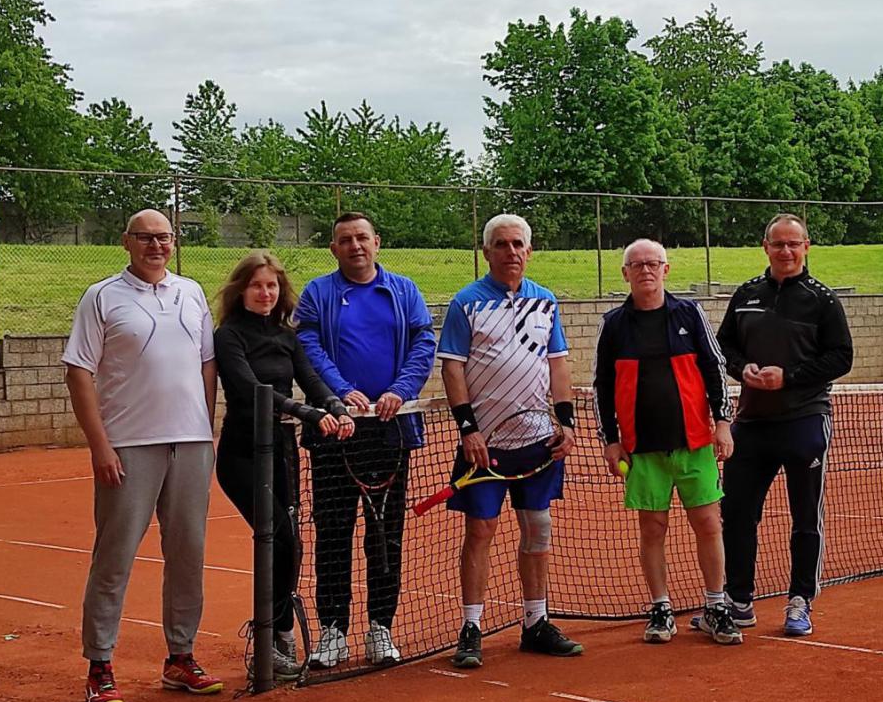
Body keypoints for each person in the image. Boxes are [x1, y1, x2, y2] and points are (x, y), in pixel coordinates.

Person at [63, 209, 222, 702]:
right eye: (146, 237)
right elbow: (79, 374)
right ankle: (100, 665)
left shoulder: (192, 292)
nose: (156, 245)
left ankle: (180, 658)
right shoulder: (102, 296)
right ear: (126, 242)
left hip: (192, 444)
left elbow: (207, 363)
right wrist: (100, 446)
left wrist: (205, 424)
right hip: (128, 446)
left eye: (164, 237)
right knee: (114, 557)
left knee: (187, 554)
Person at [438, 213, 582, 669]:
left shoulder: (547, 302)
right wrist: (468, 429)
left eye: (519, 244)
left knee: (538, 529)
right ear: (487, 252)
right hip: (486, 445)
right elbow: (452, 368)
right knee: (481, 531)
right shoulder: (466, 303)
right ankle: (471, 626)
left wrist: (566, 421)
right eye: (501, 244)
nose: (511, 251)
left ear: (530, 251)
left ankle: (535, 622)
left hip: (540, 442)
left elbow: (558, 364)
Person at [294, 212, 436, 668]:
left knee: (385, 535)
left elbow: (423, 342)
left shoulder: (404, 291)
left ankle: (381, 628)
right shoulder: (318, 293)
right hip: (336, 431)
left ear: (377, 242)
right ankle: (333, 631)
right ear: (333, 249)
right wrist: (339, 395)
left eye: (362, 238)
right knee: (333, 534)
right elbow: (309, 350)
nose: (355, 246)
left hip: (390, 432)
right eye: (344, 240)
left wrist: (401, 390)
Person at [212, 251, 355, 679]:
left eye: (272, 286)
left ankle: (280, 634)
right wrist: (311, 414)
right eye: (257, 285)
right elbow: (251, 390)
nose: (266, 293)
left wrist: (333, 403)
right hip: (242, 455)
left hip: (282, 451)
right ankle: (265, 638)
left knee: (290, 542)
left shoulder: (287, 336)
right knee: (272, 535)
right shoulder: (228, 336)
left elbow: (310, 379)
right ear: (242, 290)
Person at [593, 239, 741, 645]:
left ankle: (716, 605)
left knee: (708, 523)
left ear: (666, 269)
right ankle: (660, 607)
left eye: (653, 264)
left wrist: (723, 423)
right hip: (642, 450)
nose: (645, 271)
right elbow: (601, 386)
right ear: (625, 274)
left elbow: (715, 369)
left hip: (695, 443)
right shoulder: (614, 323)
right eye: (636, 265)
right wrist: (610, 440)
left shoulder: (689, 314)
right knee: (653, 527)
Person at [716, 213, 854, 637]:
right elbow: (723, 348)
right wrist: (745, 370)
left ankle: (800, 600)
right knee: (736, 513)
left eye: (794, 244)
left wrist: (788, 377)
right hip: (752, 423)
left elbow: (841, 357)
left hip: (805, 420)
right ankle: (738, 602)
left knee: (804, 516)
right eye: (779, 244)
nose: (786, 251)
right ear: (765, 247)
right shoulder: (745, 295)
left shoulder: (823, 300)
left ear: (807, 247)